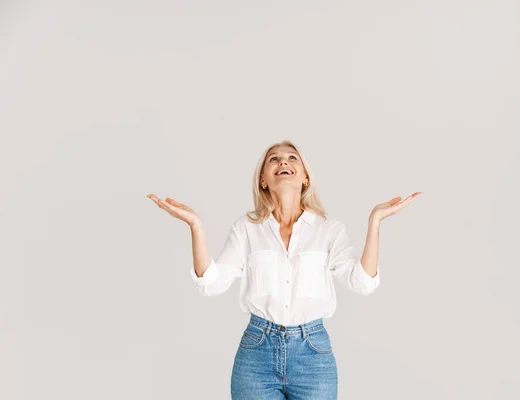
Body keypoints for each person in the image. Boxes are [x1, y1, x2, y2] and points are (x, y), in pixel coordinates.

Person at [147, 140, 422, 399]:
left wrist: (375, 222)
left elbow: (362, 282)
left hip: (313, 354)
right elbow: (211, 284)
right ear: (263, 180)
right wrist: (195, 226)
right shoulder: (246, 228)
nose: (283, 162)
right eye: (273, 159)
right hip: (257, 352)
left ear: (305, 177)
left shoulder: (328, 230)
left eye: (292, 158)